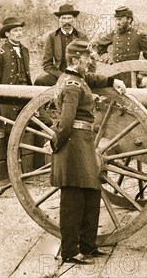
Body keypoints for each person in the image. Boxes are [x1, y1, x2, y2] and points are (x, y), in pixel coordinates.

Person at [48, 40, 126, 264]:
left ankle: (89, 246)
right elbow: (65, 121)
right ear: (75, 60)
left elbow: (92, 79)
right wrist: (56, 143)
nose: (90, 61)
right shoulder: (72, 85)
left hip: (83, 144)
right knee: (73, 200)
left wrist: (113, 80)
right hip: (73, 145)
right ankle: (70, 251)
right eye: (87, 58)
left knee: (91, 195)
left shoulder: (78, 78)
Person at [0, 17, 32, 136]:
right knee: (12, 129)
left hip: (26, 94)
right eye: (15, 31)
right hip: (8, 97)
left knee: (44, 122)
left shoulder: (25, 50)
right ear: (7, 34)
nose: (19, 33)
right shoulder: (0, 53)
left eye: (20, 30)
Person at [93, 6, 147, 86]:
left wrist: (141, 73)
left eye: (120, 19)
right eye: (116, 19)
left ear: (129, 20)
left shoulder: (138, 36)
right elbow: (99, 45)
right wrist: (107, 59)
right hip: (114, 73)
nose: (117, 22)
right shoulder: (114, 33)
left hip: (130, 77)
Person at [33, 4, 89, 86]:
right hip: (58, 75)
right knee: (40, 81)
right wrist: (61, 75)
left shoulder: (82, 36)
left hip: (78, 75)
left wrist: (80, 74)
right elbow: (46, 64)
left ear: (74, 19)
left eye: (69, 18)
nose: (67, 22)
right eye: (64, 18)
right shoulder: (52, 37)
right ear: (59, 20)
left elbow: (89, 60)